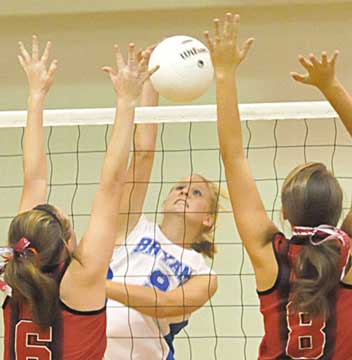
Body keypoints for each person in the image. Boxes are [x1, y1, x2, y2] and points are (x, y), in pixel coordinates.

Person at [205, 12, 352, 359]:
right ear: (339, 209)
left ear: (285, 211)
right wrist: (331, 87)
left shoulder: (270, 254)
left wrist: (224, 73)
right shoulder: (346, 259)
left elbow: (234, 157)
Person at [2, 36, 156, 359]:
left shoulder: (14, 279)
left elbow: (35, 178)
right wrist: (127, 101)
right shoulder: (79, 283)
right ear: (67, 242)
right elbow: (111, 184)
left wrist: (35, 95)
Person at [105, 48, 222, 360]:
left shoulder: (204, 274)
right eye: (179, 187)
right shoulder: (132, 225)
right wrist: (150, 82)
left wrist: (94, 285)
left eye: (196, 193)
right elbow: (143, 153)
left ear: (209, 219)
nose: (184, 192)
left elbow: (167, 305)